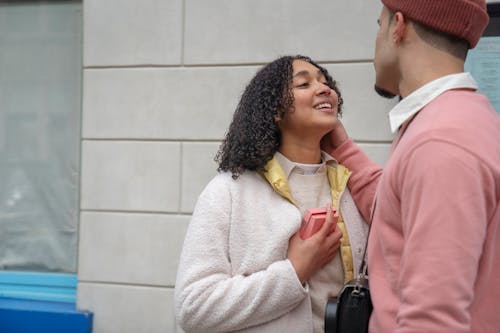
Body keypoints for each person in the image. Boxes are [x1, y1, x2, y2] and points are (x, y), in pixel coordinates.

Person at [321, 0, 500, 332]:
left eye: (379, 25)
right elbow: (406, 215)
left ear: (397, 26)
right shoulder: (461, 120)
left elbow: (431, 323)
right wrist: (344, 150)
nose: (376, 39)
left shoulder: (441, 143)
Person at [174, 55, 368, 333]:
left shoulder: (351, 186)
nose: (325, 89)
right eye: (304, 84)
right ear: (276, 110)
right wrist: (295, 271)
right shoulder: (228, 191)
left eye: (326, 83)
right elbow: (193, 307)